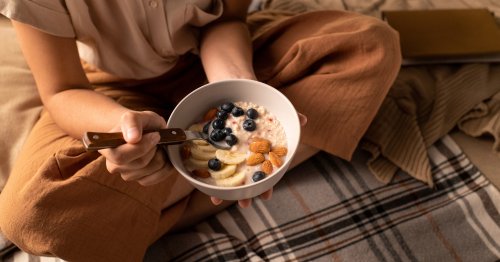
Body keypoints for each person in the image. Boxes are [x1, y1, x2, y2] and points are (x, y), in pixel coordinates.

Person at [0, 0, 401, 260]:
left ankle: (173, 196)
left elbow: (224, 22)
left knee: (370, 45)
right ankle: (215, 184)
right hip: (111, 92)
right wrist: (121, 127)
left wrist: (240, 91)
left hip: (210, 62)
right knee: (31, 214)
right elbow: (63, 90)